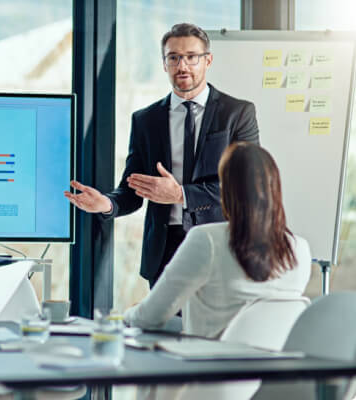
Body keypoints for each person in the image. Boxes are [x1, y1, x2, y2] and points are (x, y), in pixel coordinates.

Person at [64, 23, 260, 287]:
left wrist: (181, 195)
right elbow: (132, 190)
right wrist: (107, 204)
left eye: (192, 57)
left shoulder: (237, 114)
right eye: (174, 57)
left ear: (208, 60)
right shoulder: (146, 120)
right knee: (163, 328)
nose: (183, 65)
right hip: (164, 252)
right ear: (164, 63)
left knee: (211, 329)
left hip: (219, 246)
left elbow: (245, 187)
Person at [123, 142, 311, 338]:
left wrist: (129, 314)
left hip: (209, 363)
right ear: (275, 188)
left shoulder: (208, 240)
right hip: (271, 366)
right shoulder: (300, 249)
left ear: (227, 190)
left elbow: (150, 317)